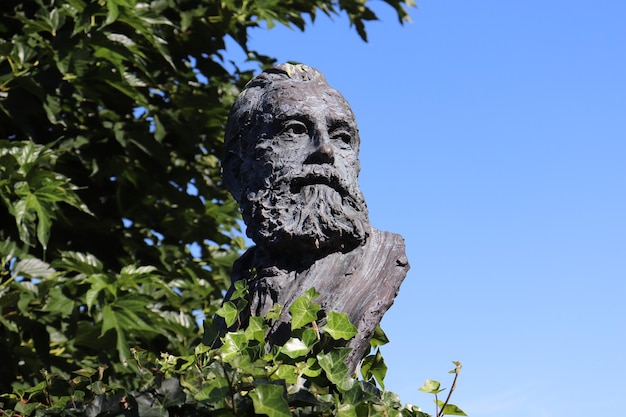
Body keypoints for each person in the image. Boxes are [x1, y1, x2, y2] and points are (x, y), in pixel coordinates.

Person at [221, 63, 409, 371]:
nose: (325, 149)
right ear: (238, 172)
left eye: (341, 136)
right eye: (294, 130)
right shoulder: (244, 280)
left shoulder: (380, 262)